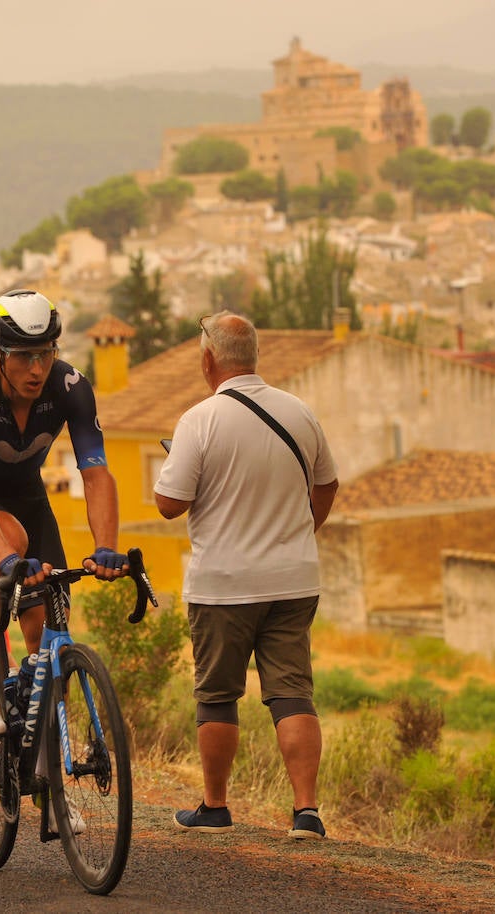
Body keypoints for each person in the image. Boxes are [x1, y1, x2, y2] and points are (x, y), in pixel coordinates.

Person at [153, 311, 339, 840]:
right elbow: (327, 485)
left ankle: (215, 806)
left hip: (224, 586)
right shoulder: (299, 411)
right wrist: (301, 533)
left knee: (217, 695)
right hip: (294, 578)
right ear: (253, 355)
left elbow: (169, 504)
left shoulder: (201, 419)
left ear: (208, 358)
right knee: (292, 692)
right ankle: (307, 811)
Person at [0, 290, 129, 739]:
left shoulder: (71, 388)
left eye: (45, 353)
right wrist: (5, 560)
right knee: (8, 542)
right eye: (22, 356)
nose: (36, 369)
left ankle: (49, 780)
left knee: (50, 642)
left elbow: (96, 475)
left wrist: (106, 547)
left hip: (26, 495)